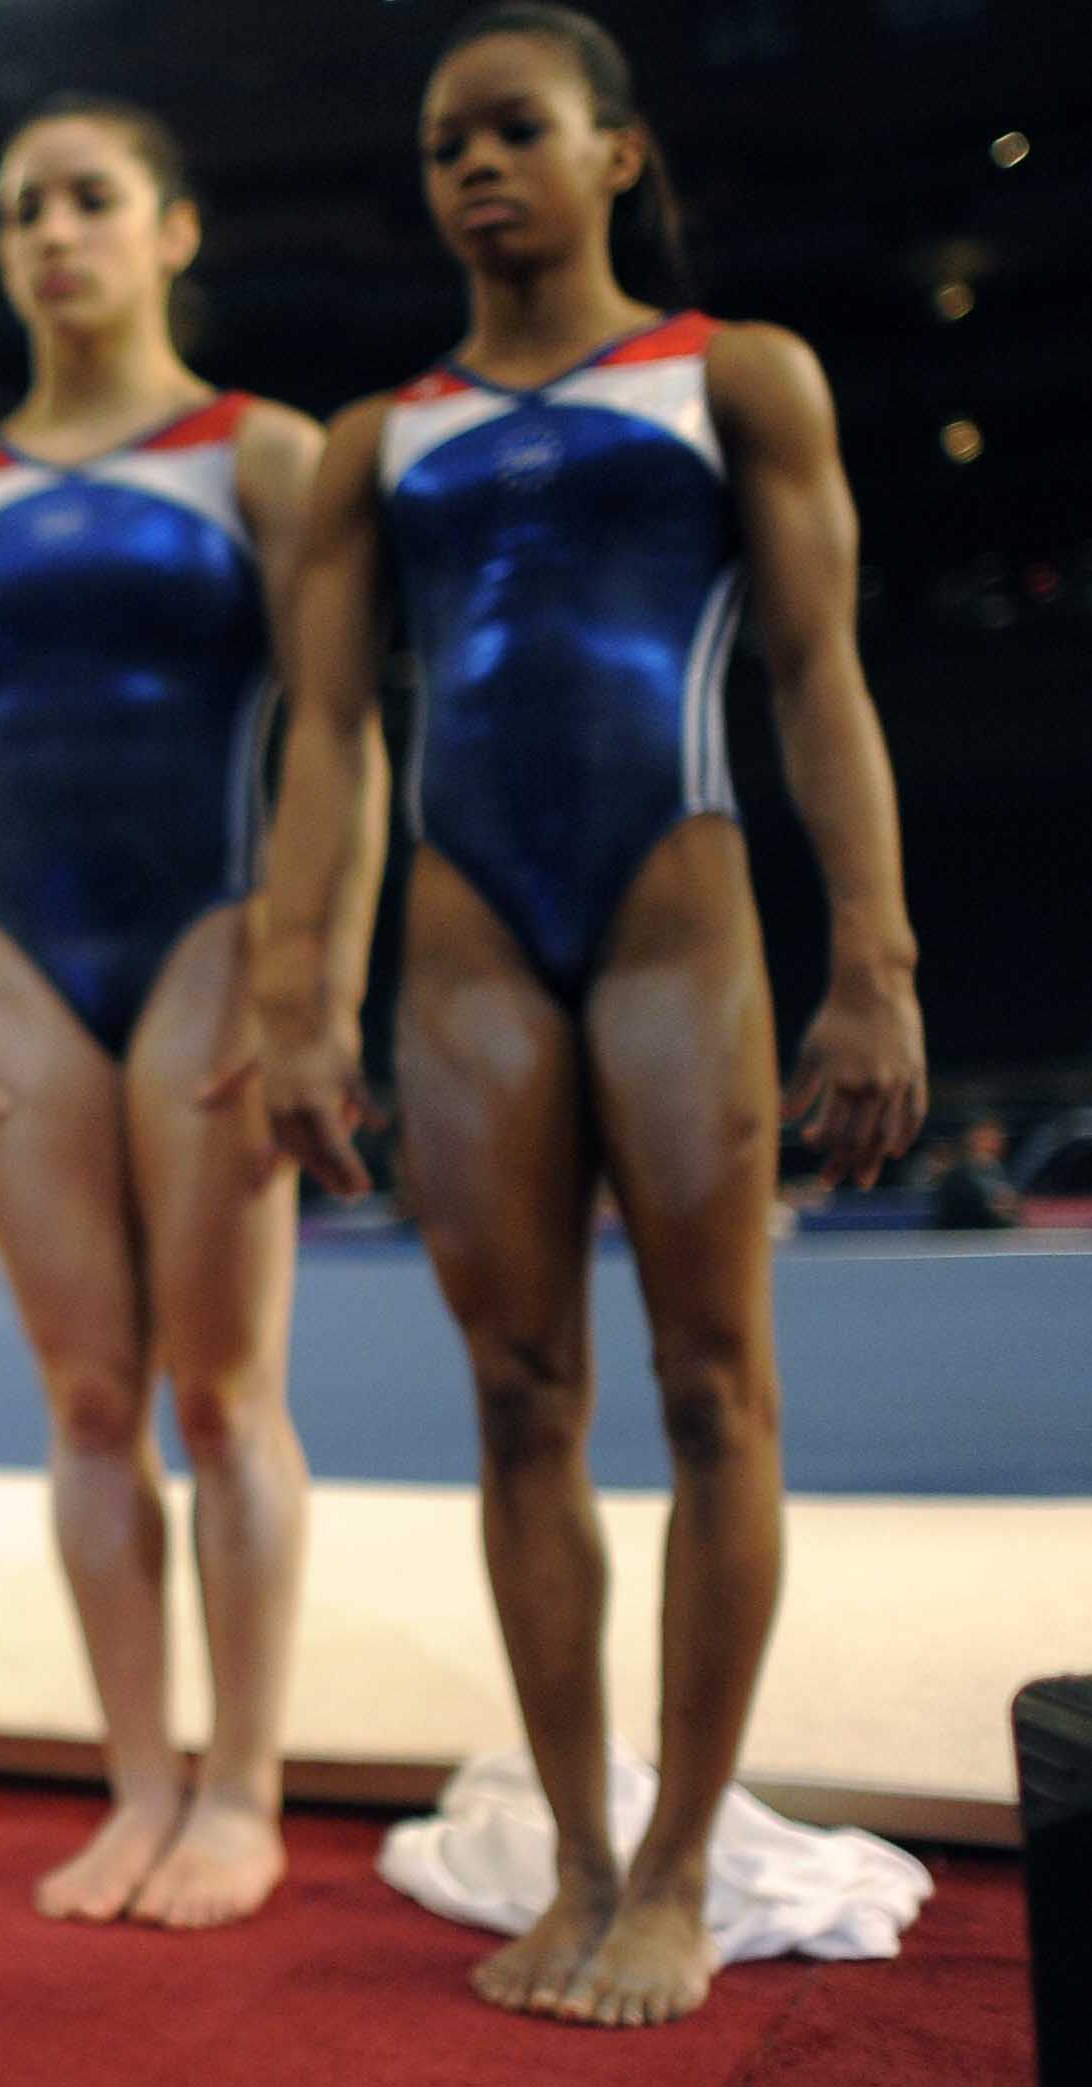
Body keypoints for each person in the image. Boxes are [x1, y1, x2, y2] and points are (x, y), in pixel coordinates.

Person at [245, 4, 927, 2026]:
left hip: (675, 915)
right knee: (516, 1398)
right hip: (463, 945)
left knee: (714, 1392)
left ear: (613, 156)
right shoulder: (377, 440)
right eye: (444, 141)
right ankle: (568, 1853)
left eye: (514, 131)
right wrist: (293, 996)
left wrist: (868, 962)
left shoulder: (732, 381)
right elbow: (323, 741)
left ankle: (677, 1866)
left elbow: (814, 678)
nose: (472, 167)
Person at [0, 98, 324, 1931]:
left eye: (90, 199)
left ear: (172, 228)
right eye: (21, 208)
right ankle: (138, 1778)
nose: (52, 231)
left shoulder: (263, 456)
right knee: (81, 1395)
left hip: (211, 932)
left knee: (222, 1392)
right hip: (18, 957)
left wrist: (301, 977)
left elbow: (334, 743)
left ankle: (246, 1787)